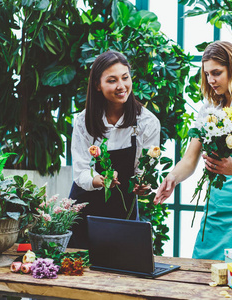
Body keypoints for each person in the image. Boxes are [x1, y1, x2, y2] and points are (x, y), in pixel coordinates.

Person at [154, 41, 232, 260]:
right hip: (215, 214)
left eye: (217, 73)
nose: (211, 80)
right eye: (207, 74)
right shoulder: (208, 109)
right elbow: (189, 160)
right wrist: (172, 178)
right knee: (201, 284)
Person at [69, 50, 160, 249]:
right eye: (112, 80)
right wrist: (98, 180)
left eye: (125, 78)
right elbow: (80, 171)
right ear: (97, 85)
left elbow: (144, 171)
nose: (121, 86)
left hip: (123, 212)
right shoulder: (84, 122)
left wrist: (144, 185)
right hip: (84, 209)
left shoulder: (147, 122)